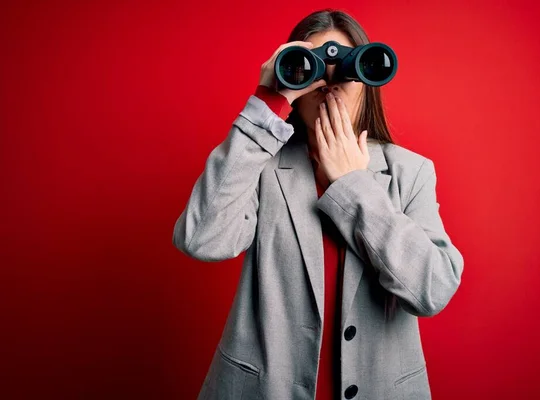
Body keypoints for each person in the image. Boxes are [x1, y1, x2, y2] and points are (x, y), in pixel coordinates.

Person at [172, 8, 464, 400]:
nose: (331, 83)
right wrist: (265, 106)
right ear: (293, 79)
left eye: (346, 69)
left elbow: (433, 289)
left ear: (367, 83)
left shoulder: (410, 172)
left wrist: (353, 184)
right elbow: (201, 239)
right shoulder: (261, 166)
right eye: (313, 69)